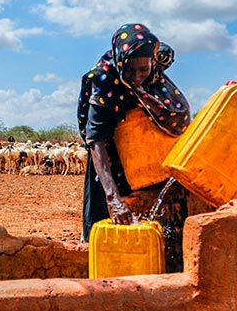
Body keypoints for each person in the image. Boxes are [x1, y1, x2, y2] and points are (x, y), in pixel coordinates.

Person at [77, 23, 190, 242]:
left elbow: (166, 55)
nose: (136, 76)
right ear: (120, 61)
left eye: (143, 69)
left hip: (147, 150)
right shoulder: (104, 81)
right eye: (129, 69)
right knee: (108, 213)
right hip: (110, 150)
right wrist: (113, 198)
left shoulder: (158, 58)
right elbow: (96, 140)